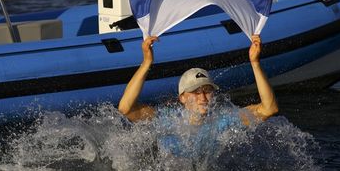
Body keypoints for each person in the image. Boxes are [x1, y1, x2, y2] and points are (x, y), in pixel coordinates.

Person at [118, 35, 278, 125]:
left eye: (207, 91)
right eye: (195, 92)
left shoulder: (223, 121)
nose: (202, 98)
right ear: (182, 97)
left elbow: (269, 109)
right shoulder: (166, 119)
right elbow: (126, 109)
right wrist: (146, 63)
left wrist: (255, 63)